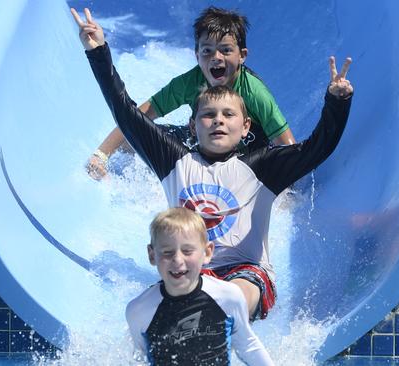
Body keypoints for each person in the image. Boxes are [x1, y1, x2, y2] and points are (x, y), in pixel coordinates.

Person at [72, 8, 354, 321]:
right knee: (152, 304)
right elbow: (128, 113)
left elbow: (312, 149)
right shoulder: (175, 159)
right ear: (194, 125)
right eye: (208, 116)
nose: (218, 120)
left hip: (246, 275)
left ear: (245, 124)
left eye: (228, 116)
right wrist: (98, 51)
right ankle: (196, 314)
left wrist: (336, 104)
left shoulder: (261, 166)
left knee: (238, 291)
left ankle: (223, 314)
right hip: (193, 272)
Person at [72, 7, 296, 180]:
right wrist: (101, 155)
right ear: (196, 55)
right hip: (204, 143)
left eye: (226, 50)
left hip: (246, 154)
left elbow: (287, 144)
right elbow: (135, 117)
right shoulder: (189, 82)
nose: (216, 57)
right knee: (136, 137)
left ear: (242, 55)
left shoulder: (255, 92)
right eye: (207, 51)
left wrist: (283, 186)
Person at [126, 207, 274, 365]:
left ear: (207, 252)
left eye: (187, 251)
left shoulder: (228, 296)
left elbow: (248, 345)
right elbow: (141, 358)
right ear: (152, 255)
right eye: (167, 252)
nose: (177, 260)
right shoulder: (139, 311)